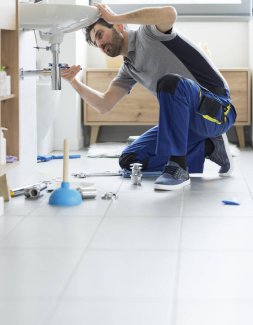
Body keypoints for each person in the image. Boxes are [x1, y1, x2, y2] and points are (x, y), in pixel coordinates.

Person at [61, 3, 237, 191]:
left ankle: (178, 167)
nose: (101, 45)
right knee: (130, 160)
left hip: (218, 110)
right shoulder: (128, 69)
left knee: (169, 83)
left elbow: (169, 13)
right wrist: (74, 81)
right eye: (97, 44)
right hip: (188, 122)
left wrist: (116, 17)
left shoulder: (149, 33)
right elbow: (104, 104)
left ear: (119, 26)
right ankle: (211, 147)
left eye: (99, 35)